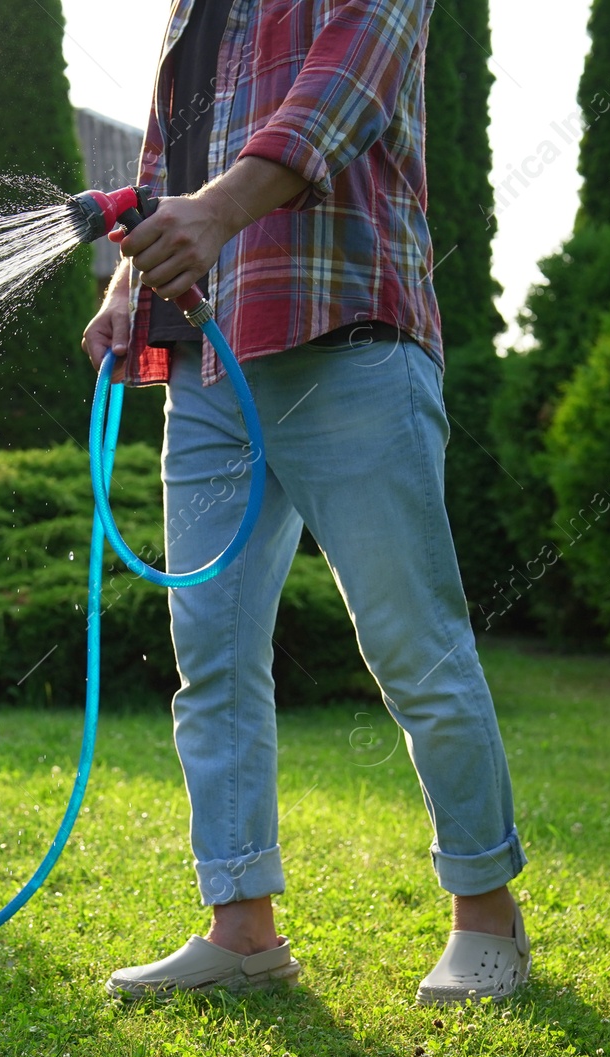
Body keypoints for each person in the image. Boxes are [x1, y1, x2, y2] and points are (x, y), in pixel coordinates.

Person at [81, 0, 529, 1004]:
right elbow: (169, 163)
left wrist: (214, 212)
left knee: (414, 645)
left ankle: (485, 915)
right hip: (208, 367)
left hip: (349, 338)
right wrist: (125, 292)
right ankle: (240, 928)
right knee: (213, 661)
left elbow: (343, 91)